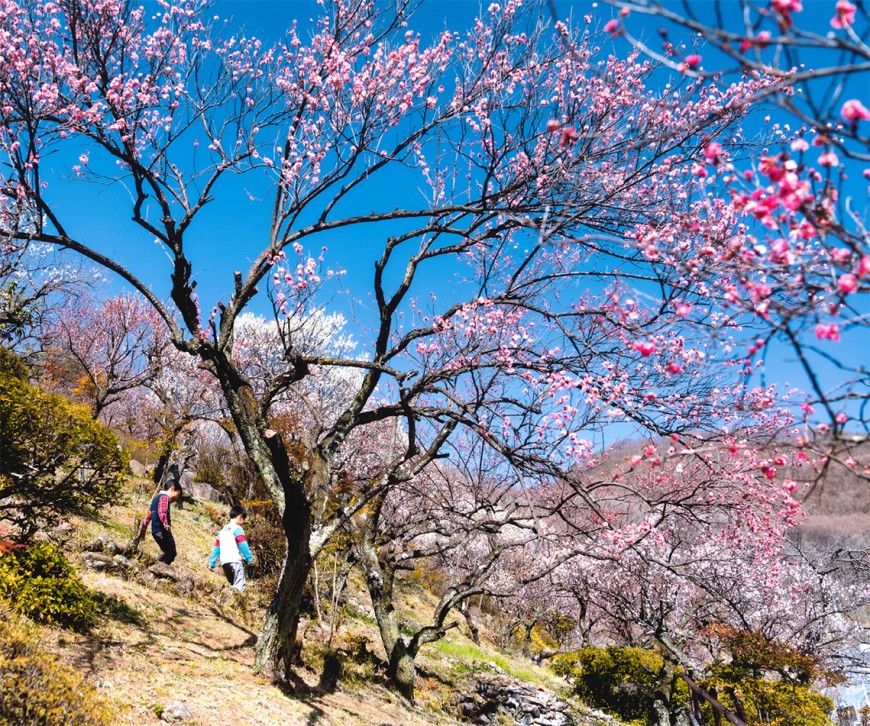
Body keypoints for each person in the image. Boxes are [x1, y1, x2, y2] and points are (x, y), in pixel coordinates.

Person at [209, 505, 254, 592]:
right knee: (240, 585)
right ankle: (238, 603)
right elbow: (243, 544)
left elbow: (217, 548)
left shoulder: (222, 531)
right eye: (243, 520)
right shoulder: (237, 528)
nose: (243, 522)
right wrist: (249, 559)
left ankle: (230, 602)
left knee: (232, 584)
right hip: (235, 561)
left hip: (224, 563)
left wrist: (212, 563)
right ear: (240, 517)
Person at [144, 481, 183, 565]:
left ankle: (156, 564)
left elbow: (147, 516)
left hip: (155, 532)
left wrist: (142, 529)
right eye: (177, 495)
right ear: (172, 489)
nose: (176, 498)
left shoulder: (156, 499)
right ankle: (159, 568)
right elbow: (162, 511)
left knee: (168, 552)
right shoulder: (164, 497)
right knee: (172, 552)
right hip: (162, 530)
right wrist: (165, 523)